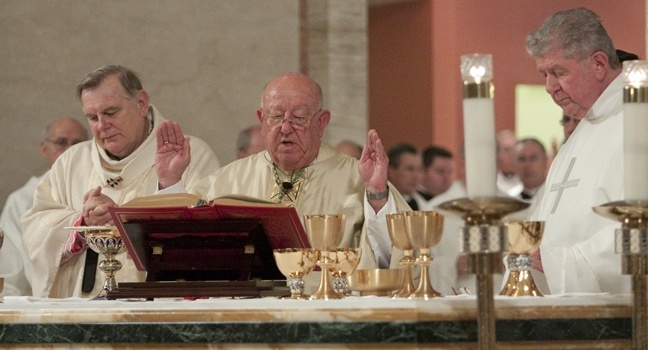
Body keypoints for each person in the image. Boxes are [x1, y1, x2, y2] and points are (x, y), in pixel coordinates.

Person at [155, 72, 411, 270]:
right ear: (261, 119)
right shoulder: (228, 180)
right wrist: (170, 184)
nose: (286, 128)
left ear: (322, 123)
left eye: (299, 118)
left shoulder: (356, 178)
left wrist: (377, 195)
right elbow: (180, 250)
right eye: (276, 116)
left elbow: (392, 260)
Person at [21, 65, 221, 298]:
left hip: (157, 314)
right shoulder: (71, 162)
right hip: (78, 317)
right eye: (92, 117)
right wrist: (83, 224)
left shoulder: (189, 155)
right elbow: (35, 228)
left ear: (142, 103)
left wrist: (165, 190)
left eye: (111, 112)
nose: (101, 125)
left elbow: (209, 240)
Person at [526, 8, 627, 294]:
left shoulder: (637, 121)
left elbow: (639, 229)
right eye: (544, 74)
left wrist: (561, 263)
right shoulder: (578, 136)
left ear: (598, 64)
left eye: (559, 72)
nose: (549, 87)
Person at [0, 117, 88, 296]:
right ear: (44, 148)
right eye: (61, 143)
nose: (69, 151)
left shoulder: (95, 192)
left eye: (77, 144)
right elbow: (14, 269)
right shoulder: (22, 200)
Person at [387, 143, 424, 211]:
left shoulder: (424, 204)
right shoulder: (380, 204)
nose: (416, 176)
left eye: (419, 169)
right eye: (409, 169)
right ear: (391, 172)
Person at [496, 130, 523, 197]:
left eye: (515, 149)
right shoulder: (491, 182)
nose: (512, 155)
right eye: (506, 150)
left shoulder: (528, 181)